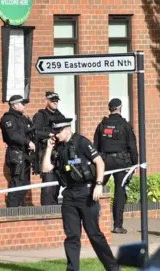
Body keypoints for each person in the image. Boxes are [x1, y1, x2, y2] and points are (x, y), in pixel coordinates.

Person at [42, 118, 120, 271]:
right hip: (69, 194)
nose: (56, 135)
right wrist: (49, 149)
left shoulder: (82, 142)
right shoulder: (57, 147)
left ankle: (113, 268)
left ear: (67, 129)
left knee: (94, 234)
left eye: (58, 132)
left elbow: (100, 162)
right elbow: (46, 168)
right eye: (55, 132)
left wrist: (98, 185)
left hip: (87, 193)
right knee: (71, 236)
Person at [93, 98, 138, 234]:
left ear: (109, 108)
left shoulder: (102, 125)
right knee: (119, 193)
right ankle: (117, 226)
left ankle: (91, 221)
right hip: (121, 162)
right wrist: (134, 164)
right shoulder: (125, 126)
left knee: (97, 189)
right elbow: (132, 147)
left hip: (105, 161)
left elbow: (95, 146)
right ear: (120, 107)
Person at [0, 95, 35, 207]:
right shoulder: (8, 119)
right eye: (22, 104)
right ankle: (12, 209)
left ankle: (19, 205)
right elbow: (13, 136)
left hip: (25, 154)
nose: (24, 106)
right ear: (14, 105)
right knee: (17, 182)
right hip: (16, 154)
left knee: (25, 183)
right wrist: (27, 142)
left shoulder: (23, 118)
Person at [32, 91, 65, 206]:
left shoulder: (60, 116)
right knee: (48, 186)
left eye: (57, 101)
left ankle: (54, 210)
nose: (55, 103)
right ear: (46, 101)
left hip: (59, 154)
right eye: (53, 101)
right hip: (47, 154)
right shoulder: (40, 115)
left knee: (57, 185)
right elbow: (35, 132)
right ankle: (46, 210)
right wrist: (49, 134)